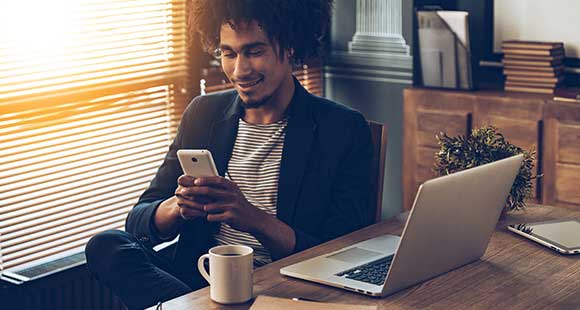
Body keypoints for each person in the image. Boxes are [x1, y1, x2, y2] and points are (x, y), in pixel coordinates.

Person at [85, 0, 374, 308]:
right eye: (228, 53)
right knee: (106, 245)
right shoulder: (203, 113)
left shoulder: (342, 128)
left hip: (283, 290)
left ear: (289, 46)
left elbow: (341, 253)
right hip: (198, 283)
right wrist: (178, 207)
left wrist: (253, 219)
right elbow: (139, 221)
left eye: (254, 51)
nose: (239, 70)